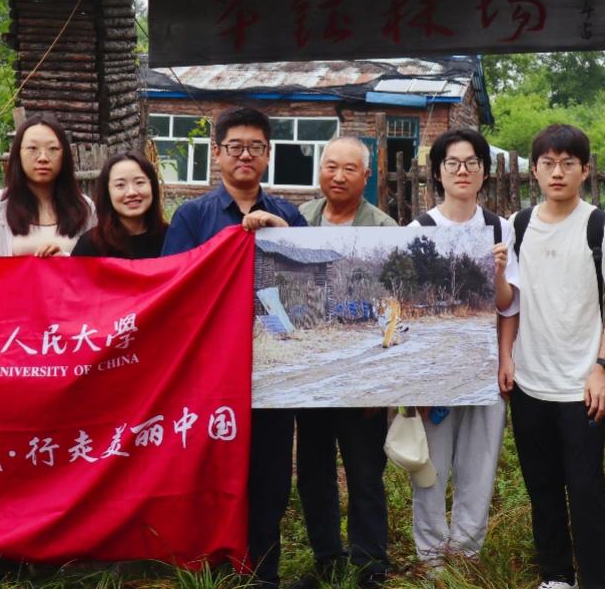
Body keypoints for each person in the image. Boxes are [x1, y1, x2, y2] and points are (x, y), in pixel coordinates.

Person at [161, 106, 307, 589]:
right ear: (217, 153)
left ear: (268, 155)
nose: (245, 155)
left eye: (255, 147)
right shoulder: (192, 216)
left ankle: (264, 573)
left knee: (270, 475)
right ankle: (212, 569)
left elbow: (307, 286)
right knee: (213, 468)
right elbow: (175, 286)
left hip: (274, 369)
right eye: (236, 147)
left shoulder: (289, 215)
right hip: (213, 372)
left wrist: (282, 237)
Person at [501, 124, 605, 589]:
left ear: (585, 170)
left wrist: (602, 368)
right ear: (534, 170)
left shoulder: (603, 227)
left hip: (582, 385)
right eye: (548, 163)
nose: (558, 172)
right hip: (530, 380)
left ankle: (599, 579)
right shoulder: (518, 226)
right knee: (542, 486)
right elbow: (510, 300)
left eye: (568, 163)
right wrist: (507, 356)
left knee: (586, 486)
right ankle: (557, 575)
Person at [406, 127, 517, 570]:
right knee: (430, 464)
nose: (463, 171)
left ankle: (467, 552)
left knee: (480, 462)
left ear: (485, 171)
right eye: (452, 163)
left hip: (485, 366)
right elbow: (409, 305)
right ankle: (431, 557)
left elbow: (507, 305)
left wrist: (498, 272)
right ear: (438, 172)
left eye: (472, 162)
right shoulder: (420, 229)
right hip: (436, 369)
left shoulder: (500, 227)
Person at [291, 137, 396, 589]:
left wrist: (383, 383)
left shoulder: (384, 228)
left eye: (349, 169)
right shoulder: (299, 220)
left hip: (362, 374)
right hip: (311, 373)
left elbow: (394, 307)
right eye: (330, 166)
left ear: (366, 177)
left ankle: (370, 564)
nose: (337, 176)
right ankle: (327, 558)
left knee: (365, 472)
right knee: (314, 472)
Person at [0, 114, 94, 257]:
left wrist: (64, 261)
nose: (43, 158)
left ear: (65, 155)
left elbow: (93, 267)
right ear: (18, 154)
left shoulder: (85, 208)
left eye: (53, 149)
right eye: (32, 148)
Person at [71, 151, 168, 259]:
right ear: (107, 192)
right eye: (120, 185)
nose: (131, 192)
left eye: (139, 182)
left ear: (152, 187)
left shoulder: (171, 239)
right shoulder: (90, 245)